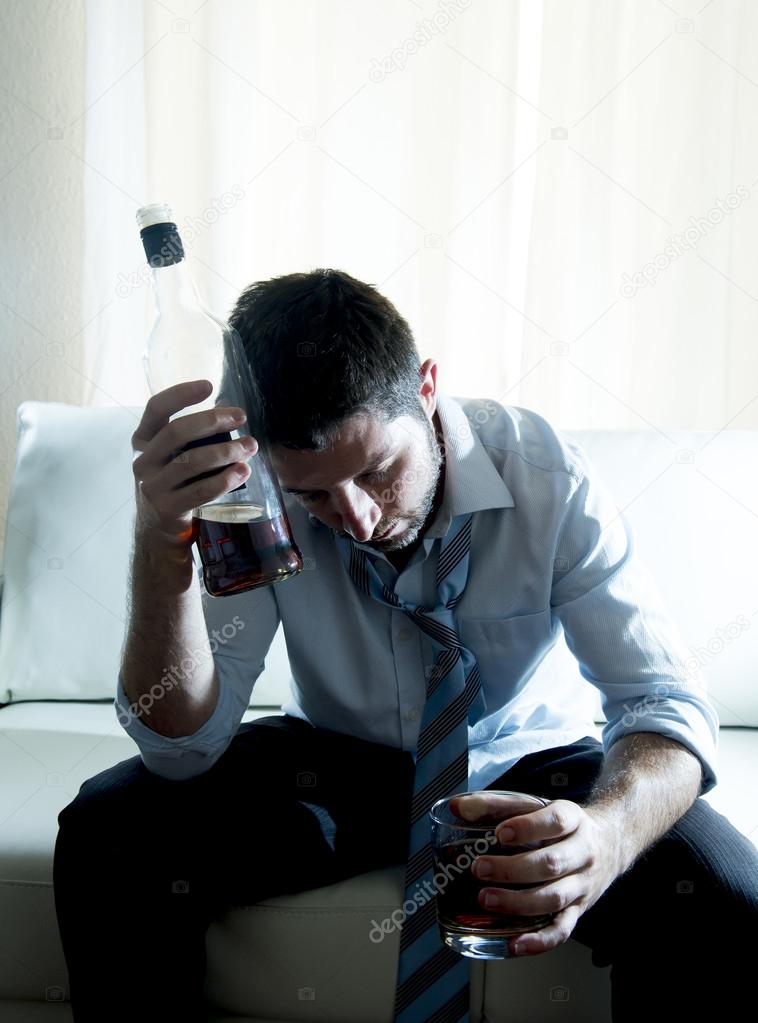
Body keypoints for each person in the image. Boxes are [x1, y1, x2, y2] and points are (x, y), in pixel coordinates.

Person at [54, 269, 758, 1023]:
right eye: (314, 494)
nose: (354, 518)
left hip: (525, 763)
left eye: (377, 470)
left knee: (722, 892)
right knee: (109, 835)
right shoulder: (250, 493)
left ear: (426, 387)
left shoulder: (547, 476)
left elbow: (663, 701)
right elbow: (183, 749)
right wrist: (162, 542)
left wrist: (610, 838)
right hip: (334, 760)